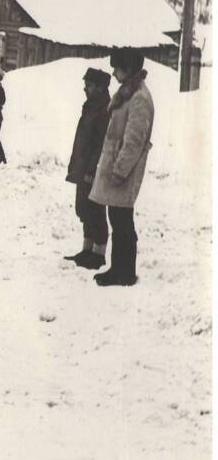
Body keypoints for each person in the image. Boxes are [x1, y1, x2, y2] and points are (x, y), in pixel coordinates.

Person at [89, 50, 154, 287]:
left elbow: (134, 141)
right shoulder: (129, 93)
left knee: (122, 220)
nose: (113, 72)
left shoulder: (139, 98)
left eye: (116, 68)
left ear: (127, 69)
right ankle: (119, 268)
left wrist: (119, 170)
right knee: (118, 218)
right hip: (118, 166)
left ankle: (124, 272)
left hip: (125, 170)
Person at [64, 68, 113, 270]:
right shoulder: (90, 106)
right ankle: (87, 250)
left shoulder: (104, 110)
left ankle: (98, 255)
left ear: (101, 88)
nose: (86, 88)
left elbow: (99, 144)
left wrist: (91, 171)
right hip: (82, 166)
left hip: (92, 170)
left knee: (95, 211)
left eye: (90, 85)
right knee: (83, 209)